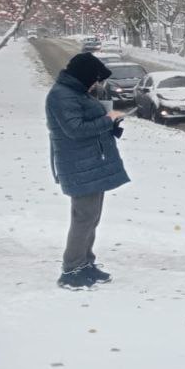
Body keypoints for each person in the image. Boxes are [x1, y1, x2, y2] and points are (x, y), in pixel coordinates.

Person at [45, 52, 129, 290]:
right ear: (83, 76)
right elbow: (75, 129)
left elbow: (86, 122)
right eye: (94, 79)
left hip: (91, 163)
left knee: (92, 218)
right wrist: (107, 119)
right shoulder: (61, 96)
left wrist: (110, 125)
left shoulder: (76, 93)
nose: (96, 84)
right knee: (83, 218)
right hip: (79, 165)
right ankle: (71, 269)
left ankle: (85, 263)